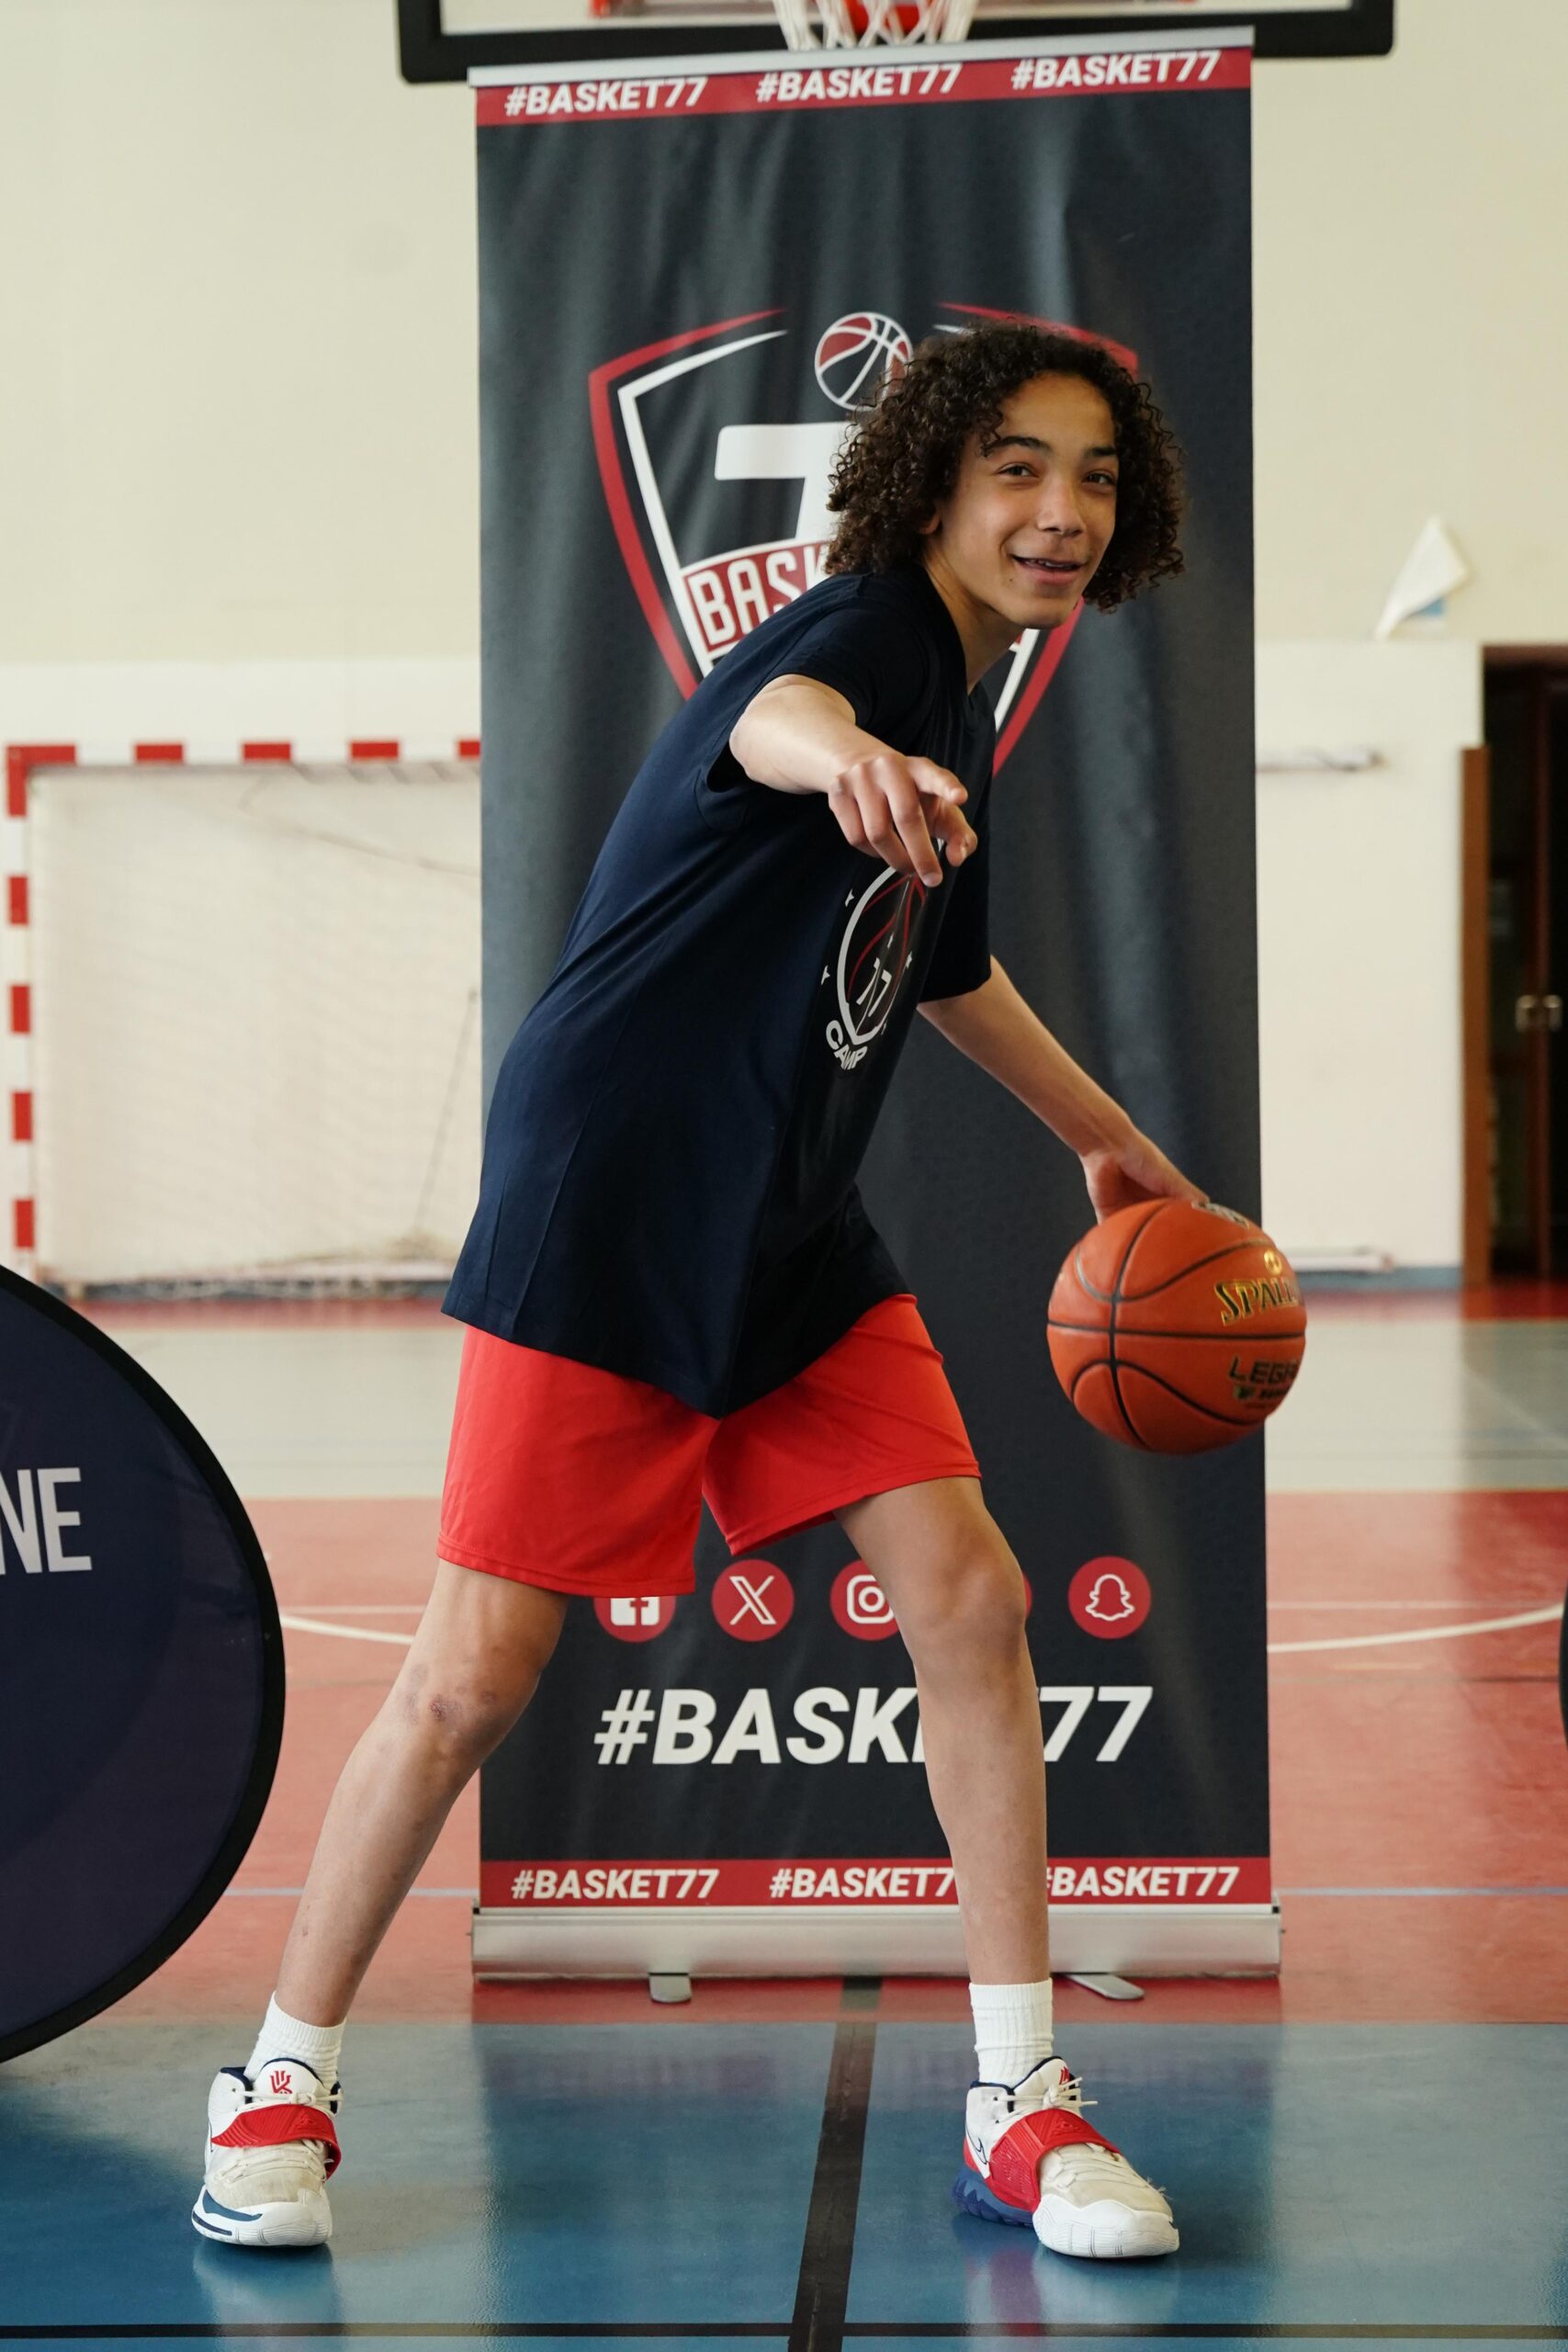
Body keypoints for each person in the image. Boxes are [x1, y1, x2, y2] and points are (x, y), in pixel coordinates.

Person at [194, 320, 1197, 2261]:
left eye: (1090, 475)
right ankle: (278, 2080)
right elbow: (771, 721)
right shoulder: (868, 636)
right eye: (1013, 466)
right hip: (617, 1198)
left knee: (971, 1598)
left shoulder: (964, 687)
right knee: (471, 1674)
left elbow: (947, 971)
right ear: (929, 481)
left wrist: (1111, 1142)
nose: (1058, 510)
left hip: (789, 1227)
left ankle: (1018, 2094)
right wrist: (854, 755)